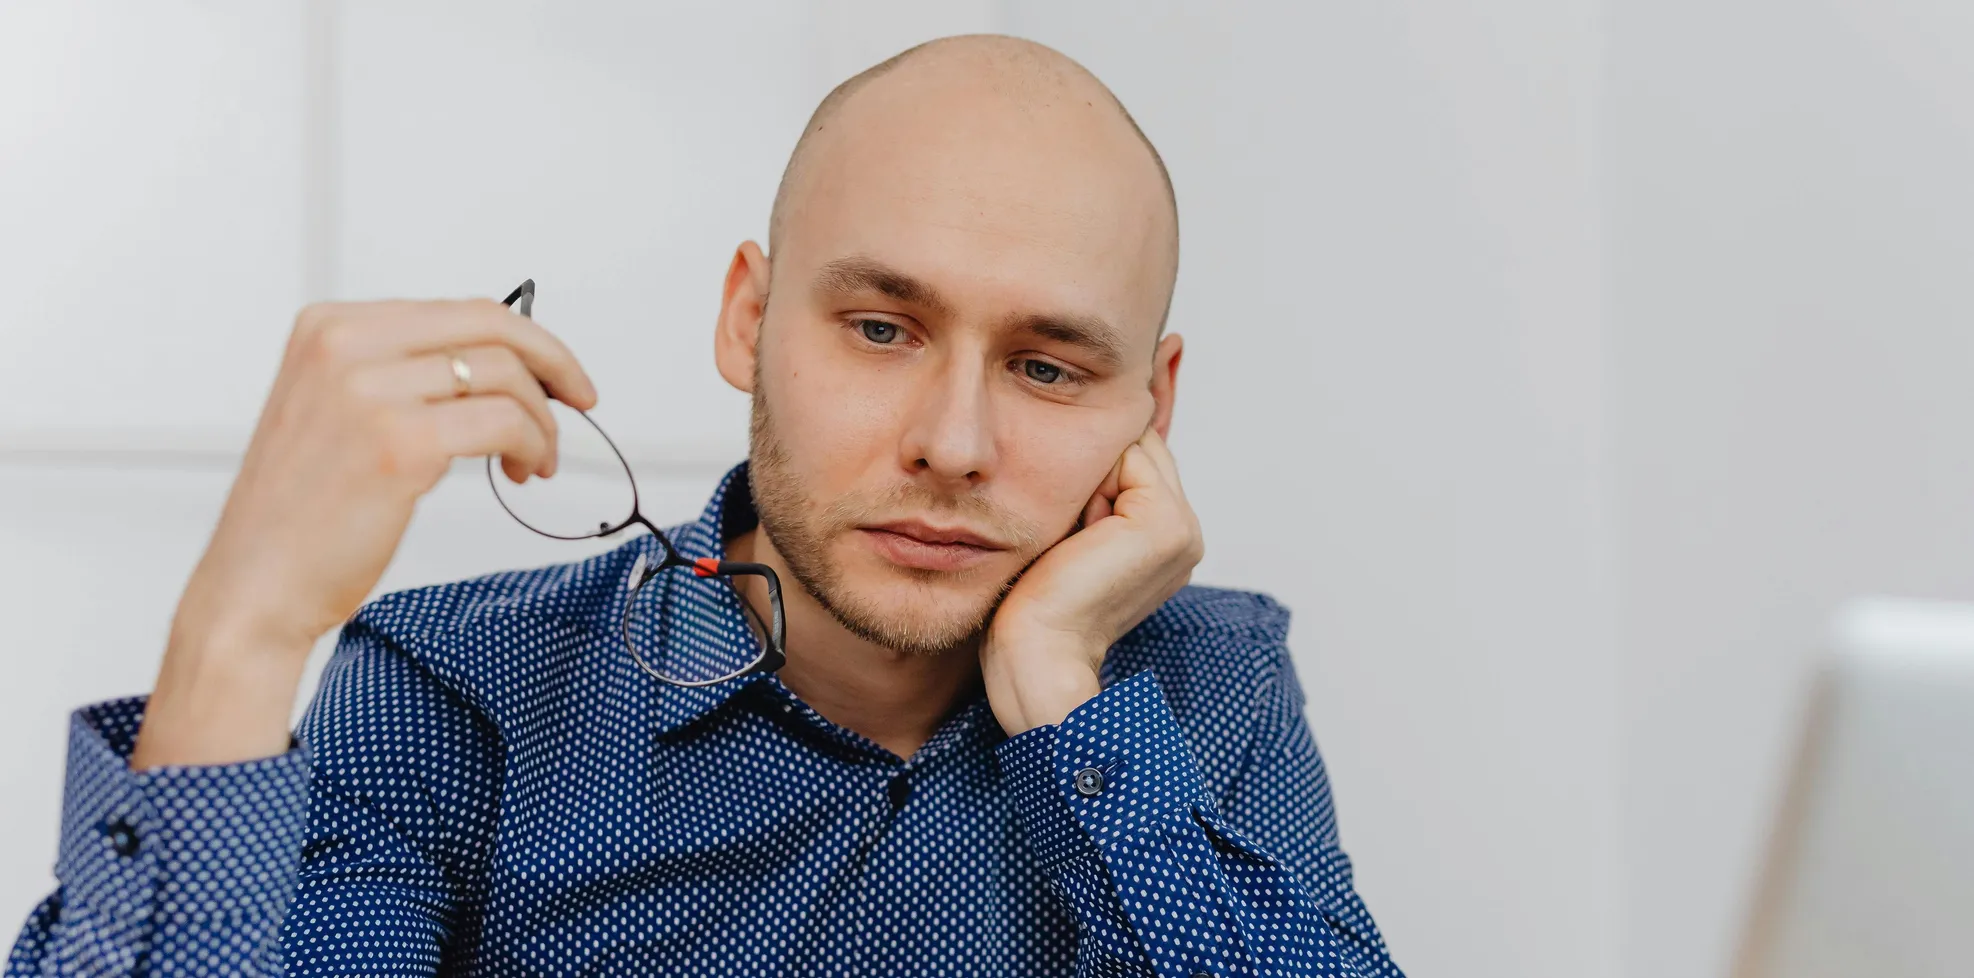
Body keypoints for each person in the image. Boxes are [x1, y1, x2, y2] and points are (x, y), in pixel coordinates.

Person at [7, 34, 1403, 978]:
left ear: (1153, 402)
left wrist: (1060, 693)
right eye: (880, 328)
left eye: (1047, 367)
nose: (954, 443)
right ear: (748, 319)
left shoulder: (1208, 685)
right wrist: (238, 631)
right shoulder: (458, 694)